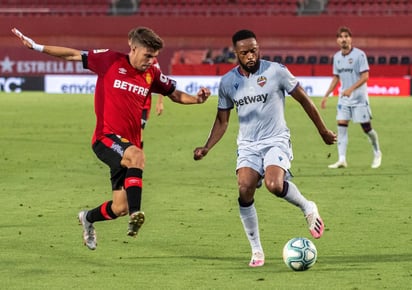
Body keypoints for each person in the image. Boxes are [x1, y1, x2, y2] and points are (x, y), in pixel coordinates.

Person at [12, 27, 210, 250]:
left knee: (119, 207)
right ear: (133, 48)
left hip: (126, 146)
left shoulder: (152, 74)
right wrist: (37, 46)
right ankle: (136, 215)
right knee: (137, 157)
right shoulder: (109, 60)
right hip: (105, 138)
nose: (151, 61)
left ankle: (88, 218)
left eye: (155, 57)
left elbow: (174, 94)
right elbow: (72, 54)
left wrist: (197, 100)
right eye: (148, 55)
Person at [193, 29, 336, 267]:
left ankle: (307, 207)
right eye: (244, 52)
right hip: (248, 145)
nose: (250, 56)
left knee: (273, 184)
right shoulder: (228, 82)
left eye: (254, 50)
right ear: (235, 54)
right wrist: (207, 147)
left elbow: (303, 99)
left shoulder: (276, 71)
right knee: (244, 188)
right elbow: (222, 120)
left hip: (275, 139)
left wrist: (322, 130)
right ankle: (257, 250)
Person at [321, 26, 382, 169]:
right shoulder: (336, 57)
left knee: (367, 129)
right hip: (344, 99)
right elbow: (336, 77)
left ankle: (377, 152)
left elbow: (365, 76)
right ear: (337, 40)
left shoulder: (359, 55)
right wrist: (326, 95)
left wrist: (350, 89)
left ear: (350, 39)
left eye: (346, 36)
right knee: (341, 126)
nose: (344, 39)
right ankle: (342, 159)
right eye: (341, 36)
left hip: (359, 99)